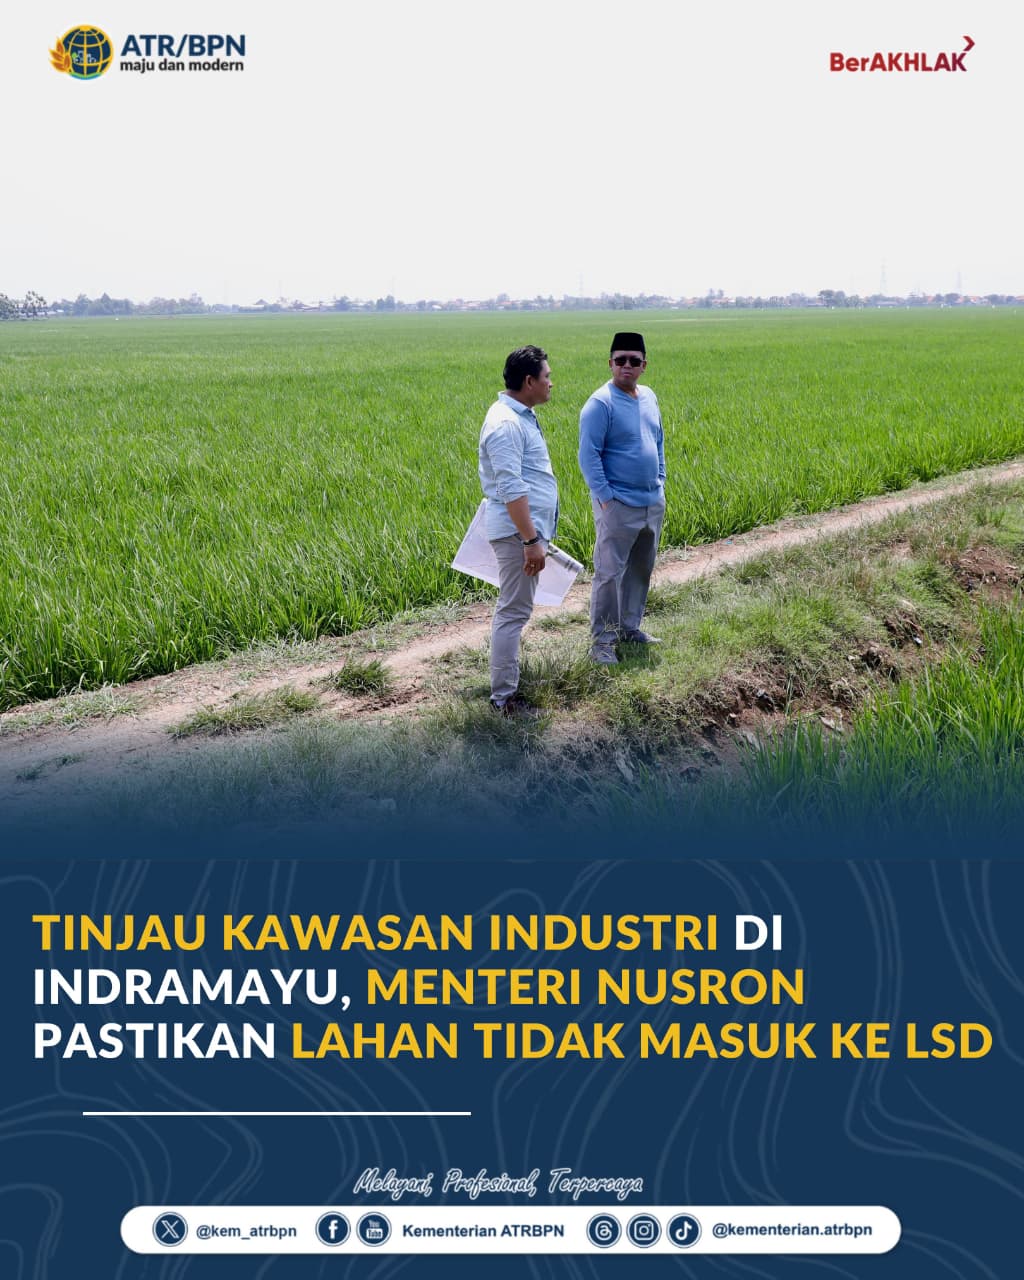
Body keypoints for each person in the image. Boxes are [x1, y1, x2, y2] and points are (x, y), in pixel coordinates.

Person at [478, 345, 558, 715]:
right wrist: (530, 540)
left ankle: (505, 691)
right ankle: (503, 700)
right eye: (547, 377)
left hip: (522, 532)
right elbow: (511, 488)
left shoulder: (519, 415)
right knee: (513, 611)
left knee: (515, 608)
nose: (551, 383)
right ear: (529, 381)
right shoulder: (506, 424)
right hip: (517, 534)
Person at [578, 331, 666, 664]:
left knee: (640, 569)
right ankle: (602, 643)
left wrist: (660, 479)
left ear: (644, 365)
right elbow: (588, 455)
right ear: (610, 363)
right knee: (608, 574)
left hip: (651, 501)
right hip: (617, 505)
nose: (626, 366)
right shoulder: (600, 403)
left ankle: (630, 628)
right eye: (620, 360)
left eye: (633, 360)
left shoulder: (649, 397)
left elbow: (658, 441)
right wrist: (605, 497)